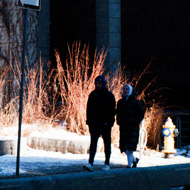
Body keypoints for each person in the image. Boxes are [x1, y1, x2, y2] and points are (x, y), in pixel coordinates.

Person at [83, 75, 116, 171]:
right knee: (93, 143)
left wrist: (110, 122)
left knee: (107, 143)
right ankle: (90, 162)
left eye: (99, 84)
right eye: (96, 84)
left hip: (105, 124)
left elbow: (112, 111)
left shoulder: (109, 96)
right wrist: (89, 122)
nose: (97, 85)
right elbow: (89, 109)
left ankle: (107, 163)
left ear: (103, 84)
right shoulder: (93, 95)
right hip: (94, 124)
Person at [116, 84, 144, 168]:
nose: (125, 91)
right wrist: (119, 121)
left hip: (132, 128)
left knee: (129, 147)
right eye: (124, 89)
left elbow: (141, 114)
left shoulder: (136, 102)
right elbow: (118, 113)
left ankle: (129, 164)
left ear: (130, 91)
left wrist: (135, 122)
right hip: (124, 127)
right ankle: (134, 160)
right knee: (125, 147)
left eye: (127, 89)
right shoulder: (120, 102)